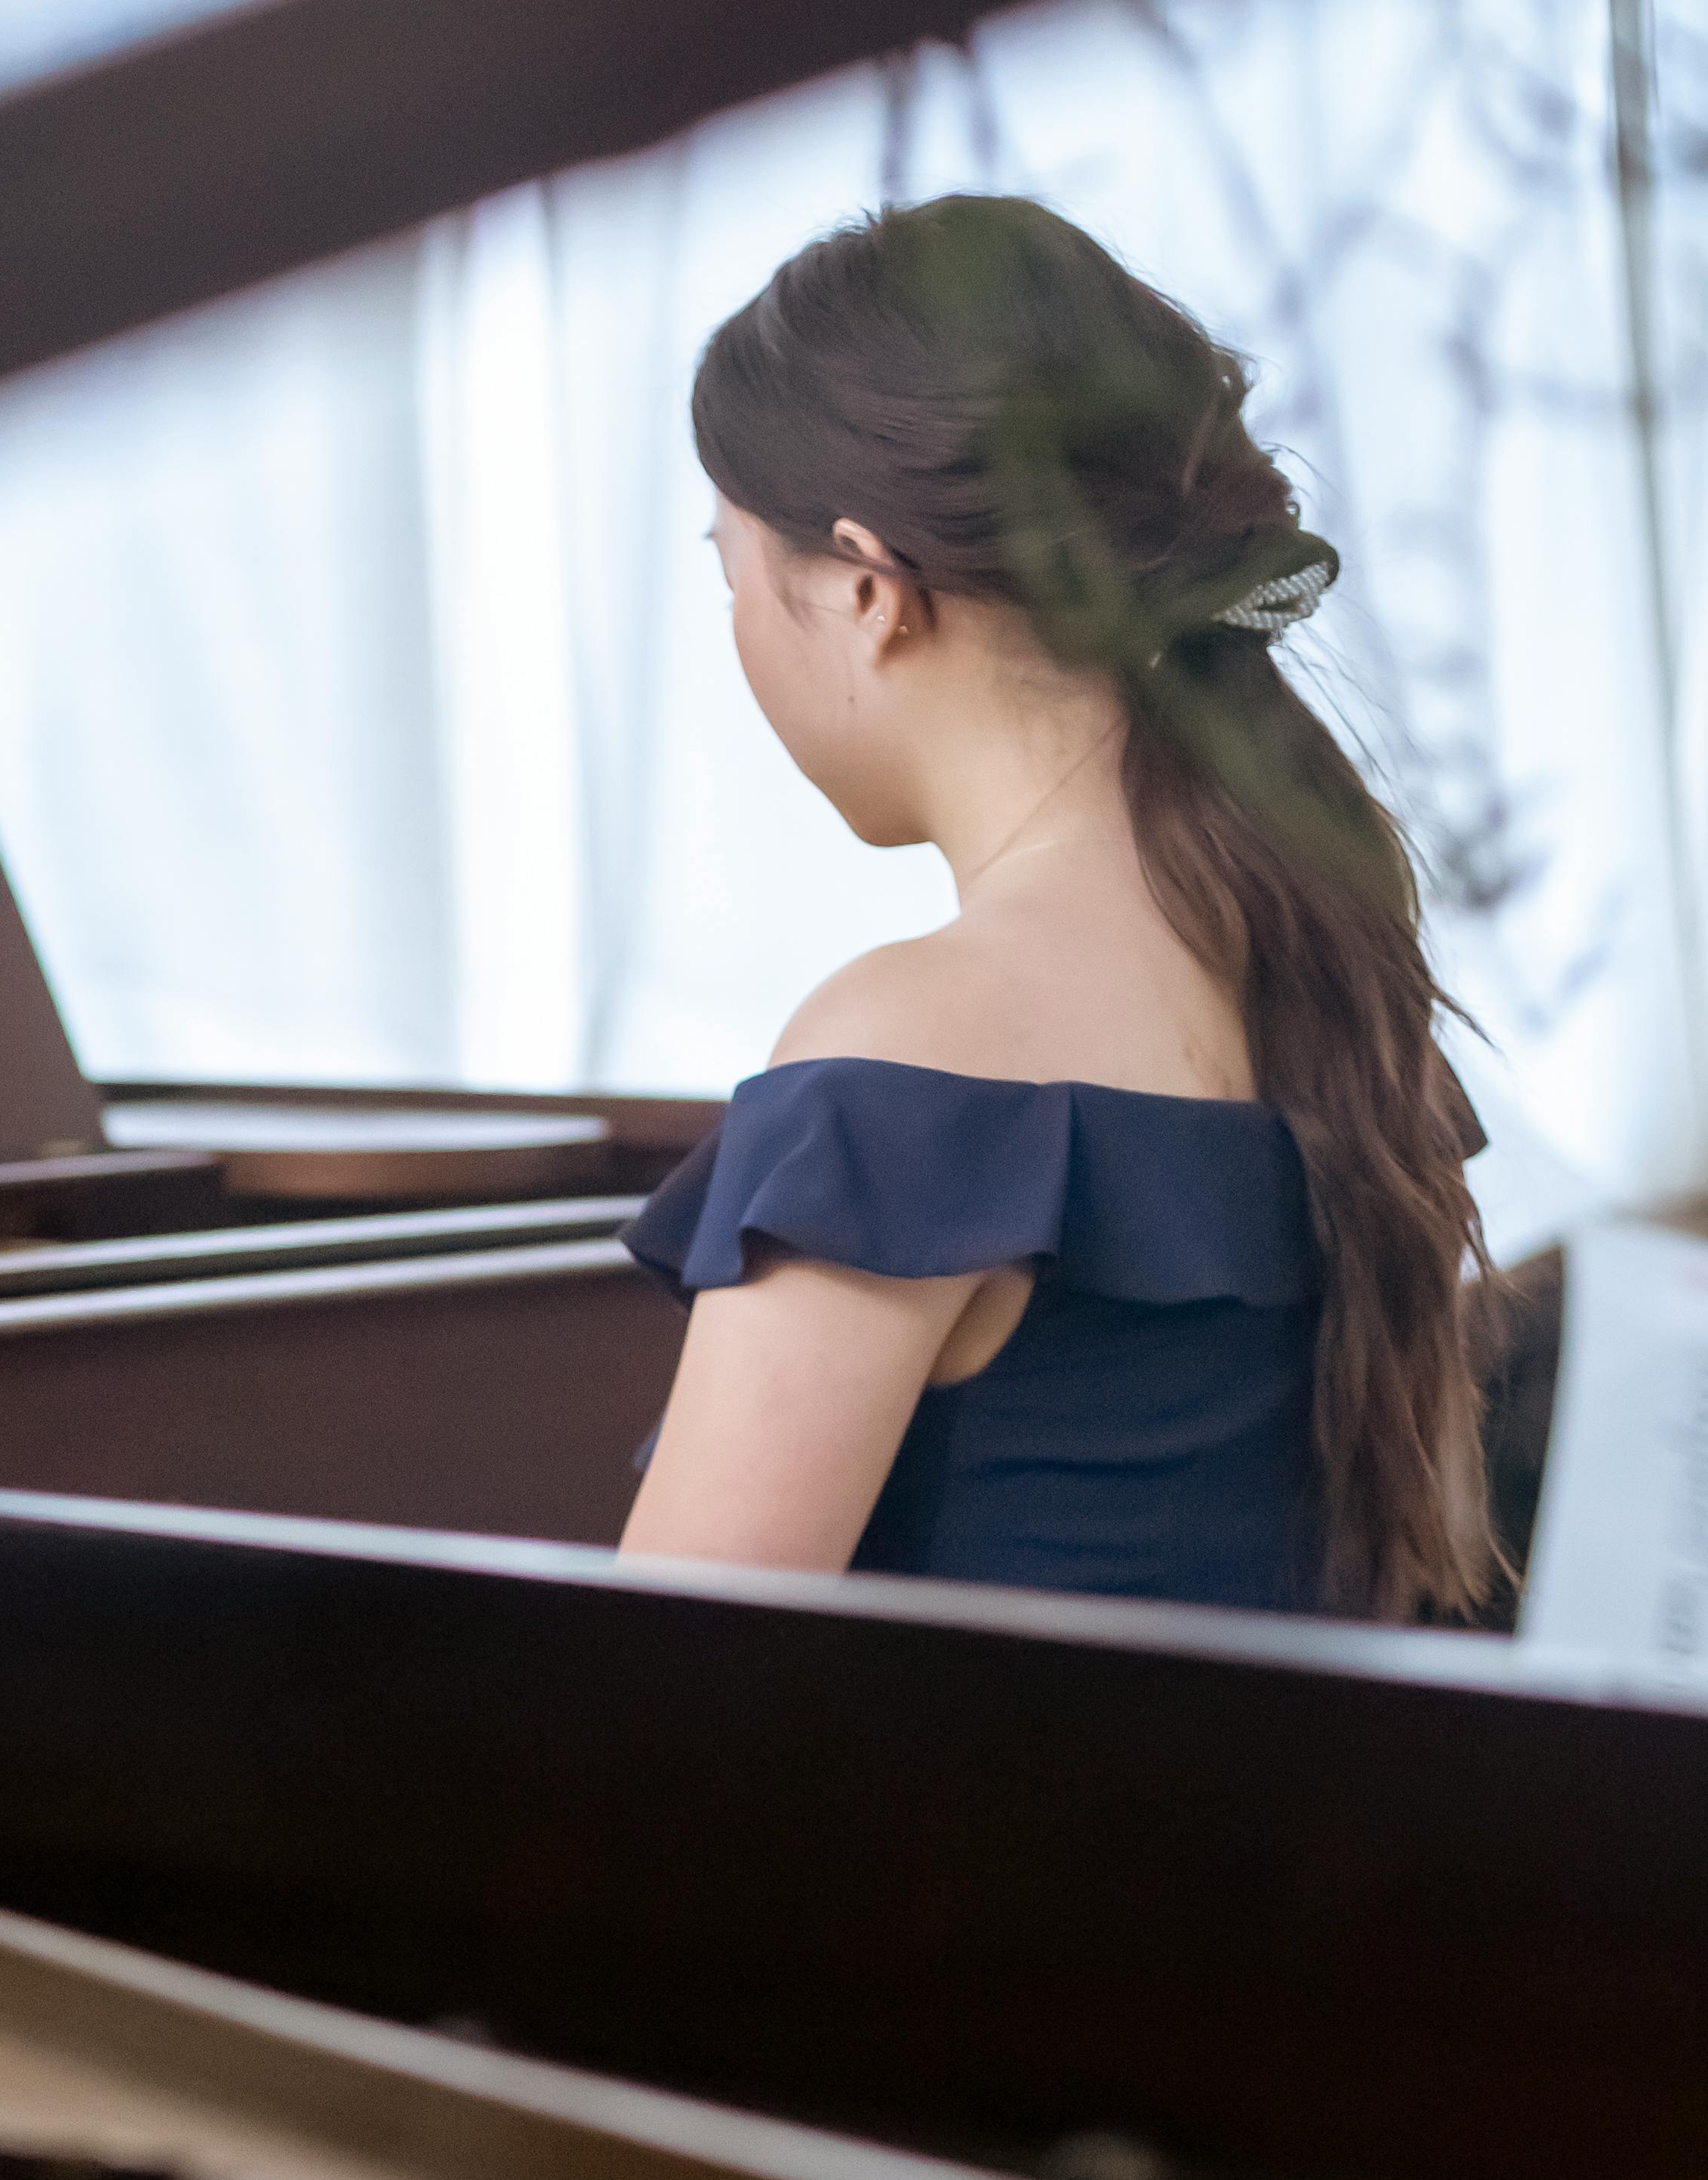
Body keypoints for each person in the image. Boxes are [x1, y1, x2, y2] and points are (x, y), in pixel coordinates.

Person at [618, 195, 1492, 1620]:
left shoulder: (906, 1052)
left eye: (732, 566)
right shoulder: (1336, 990)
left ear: (865, 588)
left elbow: (646, 1710)